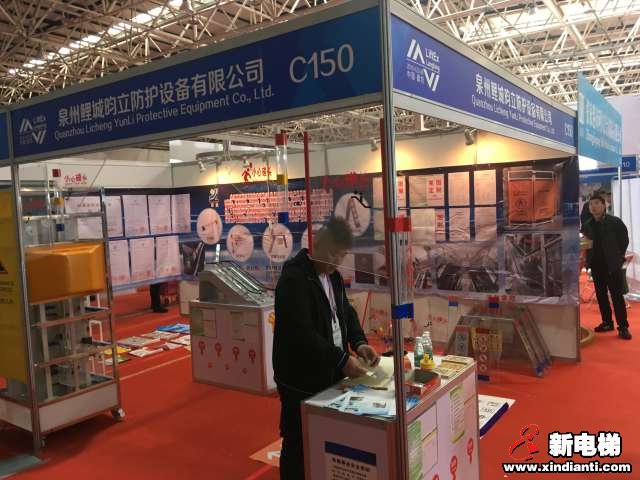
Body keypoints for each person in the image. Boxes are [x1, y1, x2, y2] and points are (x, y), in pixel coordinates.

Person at [273, 217, 380, 479]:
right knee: (297, 441)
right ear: (318, 244)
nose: (336, 261)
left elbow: (345, 312)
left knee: (324, 440)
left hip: (328, 373)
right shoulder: (294, 279)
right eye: (332, 253)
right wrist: (341, 359)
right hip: (299, 380)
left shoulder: (333, 277)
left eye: (341, 255)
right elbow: (301, 334)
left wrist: (359, 343)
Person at [581, 194, 631, 340]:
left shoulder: (615, 222)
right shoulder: (587, 224)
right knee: (601, 296)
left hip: (612, 265)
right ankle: (607, 322)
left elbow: (624, 240)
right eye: (591, 204)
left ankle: (623, 327)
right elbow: (585, 243)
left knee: (617, 296)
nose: (593, 206)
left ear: (604, 205)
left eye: (597, 203)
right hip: (596, 265)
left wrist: (618, 256)